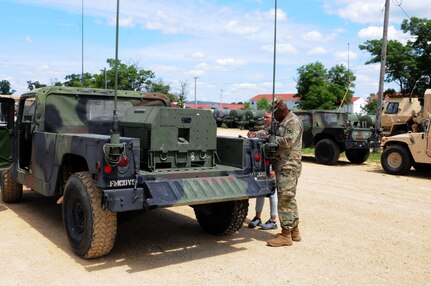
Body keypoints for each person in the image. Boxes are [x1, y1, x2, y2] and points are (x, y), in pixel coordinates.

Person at [266, 97, 303, 247]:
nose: (273, 117)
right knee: (290, 198)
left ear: (282, 110)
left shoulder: (293, 122)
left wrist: (270, 139)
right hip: (282, 165)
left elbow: (288, 141)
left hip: (288, 165)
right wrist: (259, 133)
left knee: (285, 199)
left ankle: (285, 235)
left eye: (275, 113)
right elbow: (270, 131)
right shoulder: (282, 121)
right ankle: (295, 231)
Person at [247, 111, 278, 230]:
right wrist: (252, 134)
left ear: (273, 118)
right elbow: (259, 134)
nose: (264, 119)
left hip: (271, 164)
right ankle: (257, 217)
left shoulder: (276, 131)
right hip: (262, 164)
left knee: (272, 192)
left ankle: (273, 219)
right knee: (260, 190)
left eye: (267, 117)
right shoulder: (265, 129)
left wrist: (274, 169)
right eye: (264, 117)